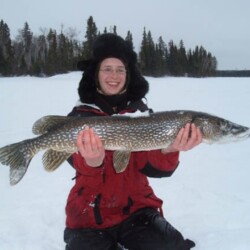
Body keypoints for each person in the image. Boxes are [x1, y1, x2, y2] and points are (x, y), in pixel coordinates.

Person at [64, 33, 202, 250]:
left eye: (120, 69)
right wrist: (92, 162)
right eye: (107, 68)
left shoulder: (142, 115)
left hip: (136, 208)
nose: (114, 75)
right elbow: (72, 159)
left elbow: (150, 166)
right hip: (89, 214)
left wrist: (172, 148)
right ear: (96, 74)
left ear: (128, 75)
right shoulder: (80, 116)